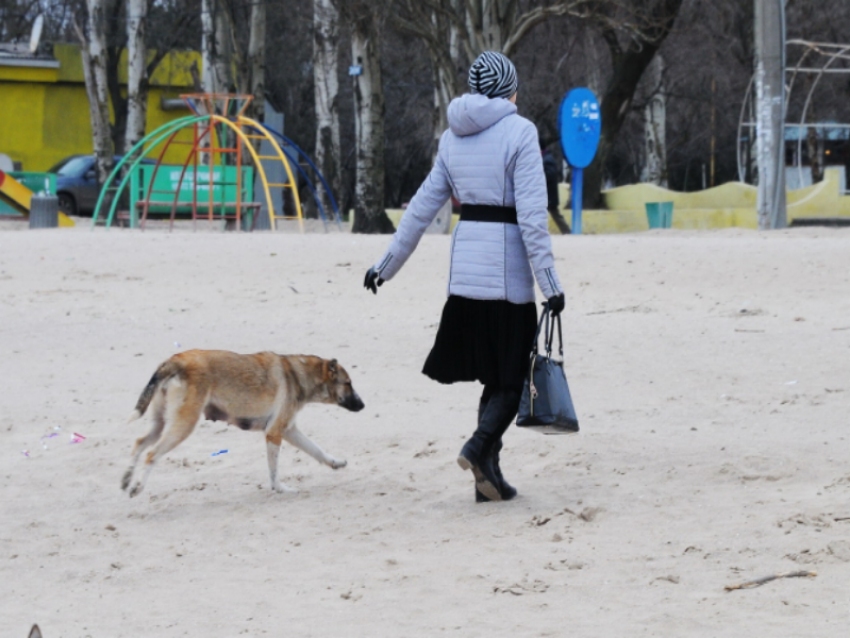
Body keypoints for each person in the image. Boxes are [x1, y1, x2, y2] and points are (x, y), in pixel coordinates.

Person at [363, 51, 565, 503]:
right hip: (507, 274)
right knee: (512, 378)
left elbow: (420, 209)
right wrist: (551, 285)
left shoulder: (452, 138)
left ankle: (487, 476)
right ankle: (477, 449)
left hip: (465, 272)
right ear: (509, 89)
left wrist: (385, 265)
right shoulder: (521, 132)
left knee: (493, 375)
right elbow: (532, 218)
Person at [542, 145, 571, 234]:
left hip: (549, 195)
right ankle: (566, 231)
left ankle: (567, 231)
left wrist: (540, 173)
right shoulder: (545, 158)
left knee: (555, 214)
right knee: (553, 214)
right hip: (547, 195)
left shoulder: (547, 159)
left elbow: (550, 175)